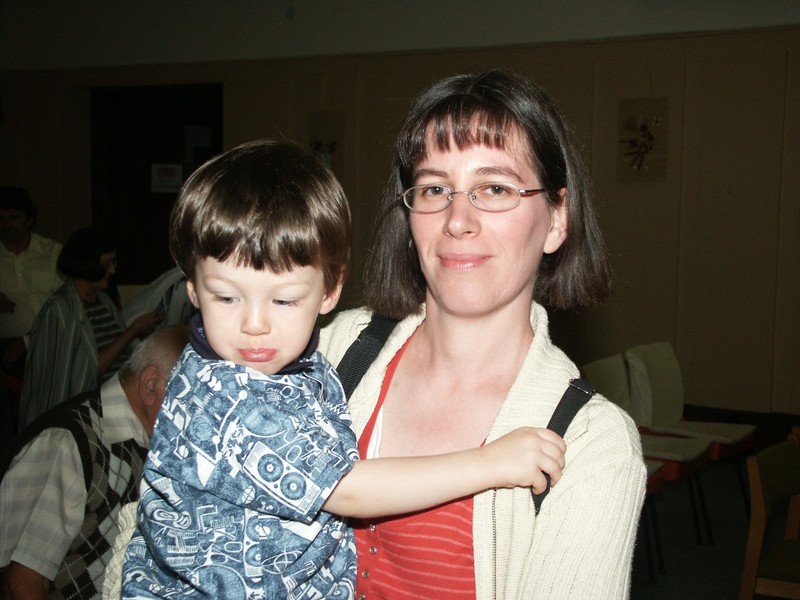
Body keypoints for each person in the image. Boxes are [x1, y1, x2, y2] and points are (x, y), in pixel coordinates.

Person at [120, 139, 565, 599]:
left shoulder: (300, 362)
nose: (254, 325)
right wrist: (490, 463)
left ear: (330, 291)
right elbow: (347, 489)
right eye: (226, 297)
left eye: (284, 300)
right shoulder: (225, 396)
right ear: (193, 289)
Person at [318, 69, 647, 599]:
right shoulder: (332, 352)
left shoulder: (591, 444)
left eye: (494, 188)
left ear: (556, 219)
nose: (458, 220)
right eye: (435, 188)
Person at [0, 324, 189, 600]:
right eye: (190, 402)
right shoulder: (68, 443)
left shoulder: (144, 438)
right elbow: (21, 582)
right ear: (150, 386)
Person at [18, 228, 164, 429]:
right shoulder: (61, 308)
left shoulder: (103, 301)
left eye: (114, 263)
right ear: (87, 264)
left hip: (115, 403)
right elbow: (88, 369)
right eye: (106, 264)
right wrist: (133, 331)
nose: (112, 270)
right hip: (84, 413)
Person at [0, 187, 63, 383]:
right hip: (9, 344)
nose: (6, 225)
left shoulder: (52, 252)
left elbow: (68, 301)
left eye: (14, 218)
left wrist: (29, 340)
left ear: (29, 220)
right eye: (1, 219)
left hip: (55, 337)